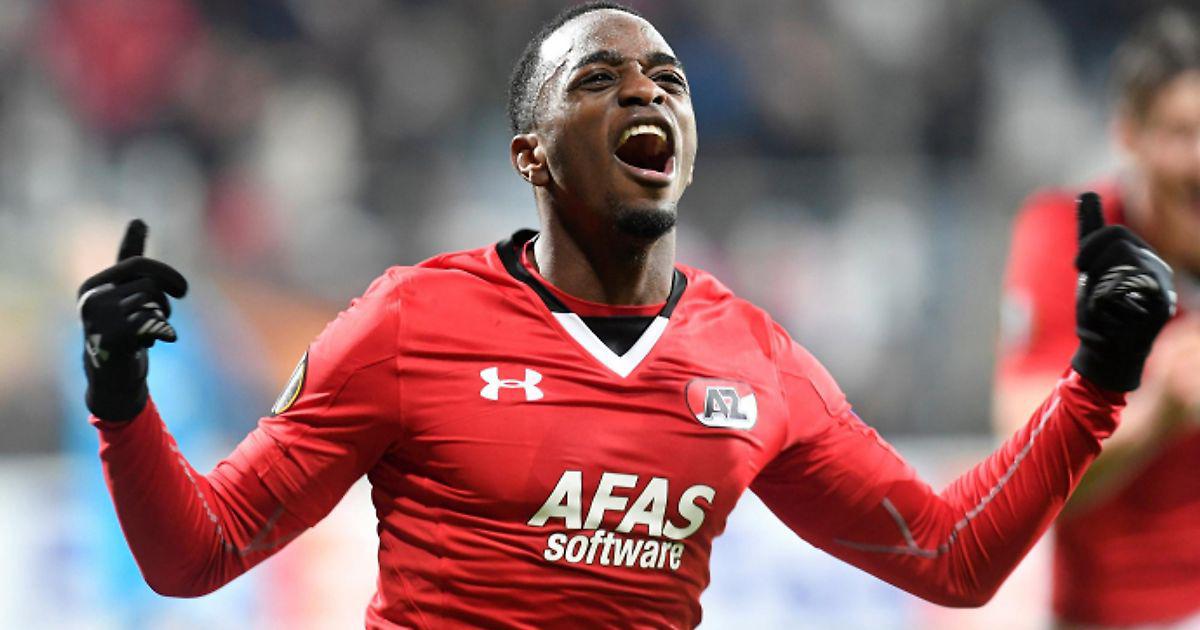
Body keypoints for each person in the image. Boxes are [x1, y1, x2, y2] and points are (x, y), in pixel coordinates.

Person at [77, 3, 1174, 628]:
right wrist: (122, 400)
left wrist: (1096, 382)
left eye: (668, 80)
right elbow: (197, 555)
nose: (647, 92)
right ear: (531, 155)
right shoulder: (409, 324)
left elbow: (951, 558)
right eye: (599, 79)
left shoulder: (755, 358)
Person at [994, 7, 1200, 628]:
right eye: (1182, 133)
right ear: (1129, 135)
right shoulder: (1069, 238)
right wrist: (1160, 408)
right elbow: (1023, 465)